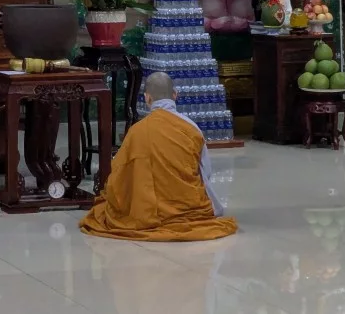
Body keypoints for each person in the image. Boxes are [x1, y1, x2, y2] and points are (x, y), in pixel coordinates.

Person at [80, 72, 237, 242]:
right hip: (188, 208)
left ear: (147, 98)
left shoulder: (136, 131)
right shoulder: (192, 129)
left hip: (145, 211)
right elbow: (205, 173)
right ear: (175, 95)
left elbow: (119, 176)